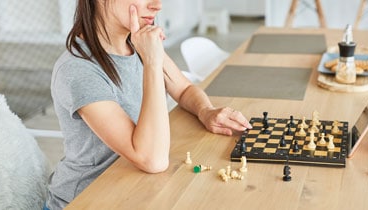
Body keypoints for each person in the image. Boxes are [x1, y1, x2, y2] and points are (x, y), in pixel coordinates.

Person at [46, 0, 252, 209]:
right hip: (86, 200)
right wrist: (152, 61)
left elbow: (183, 89)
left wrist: (206, 111)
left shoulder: (136, 43)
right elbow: (152, 160)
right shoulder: (78, 70)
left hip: (135, 188)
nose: (157, 5)